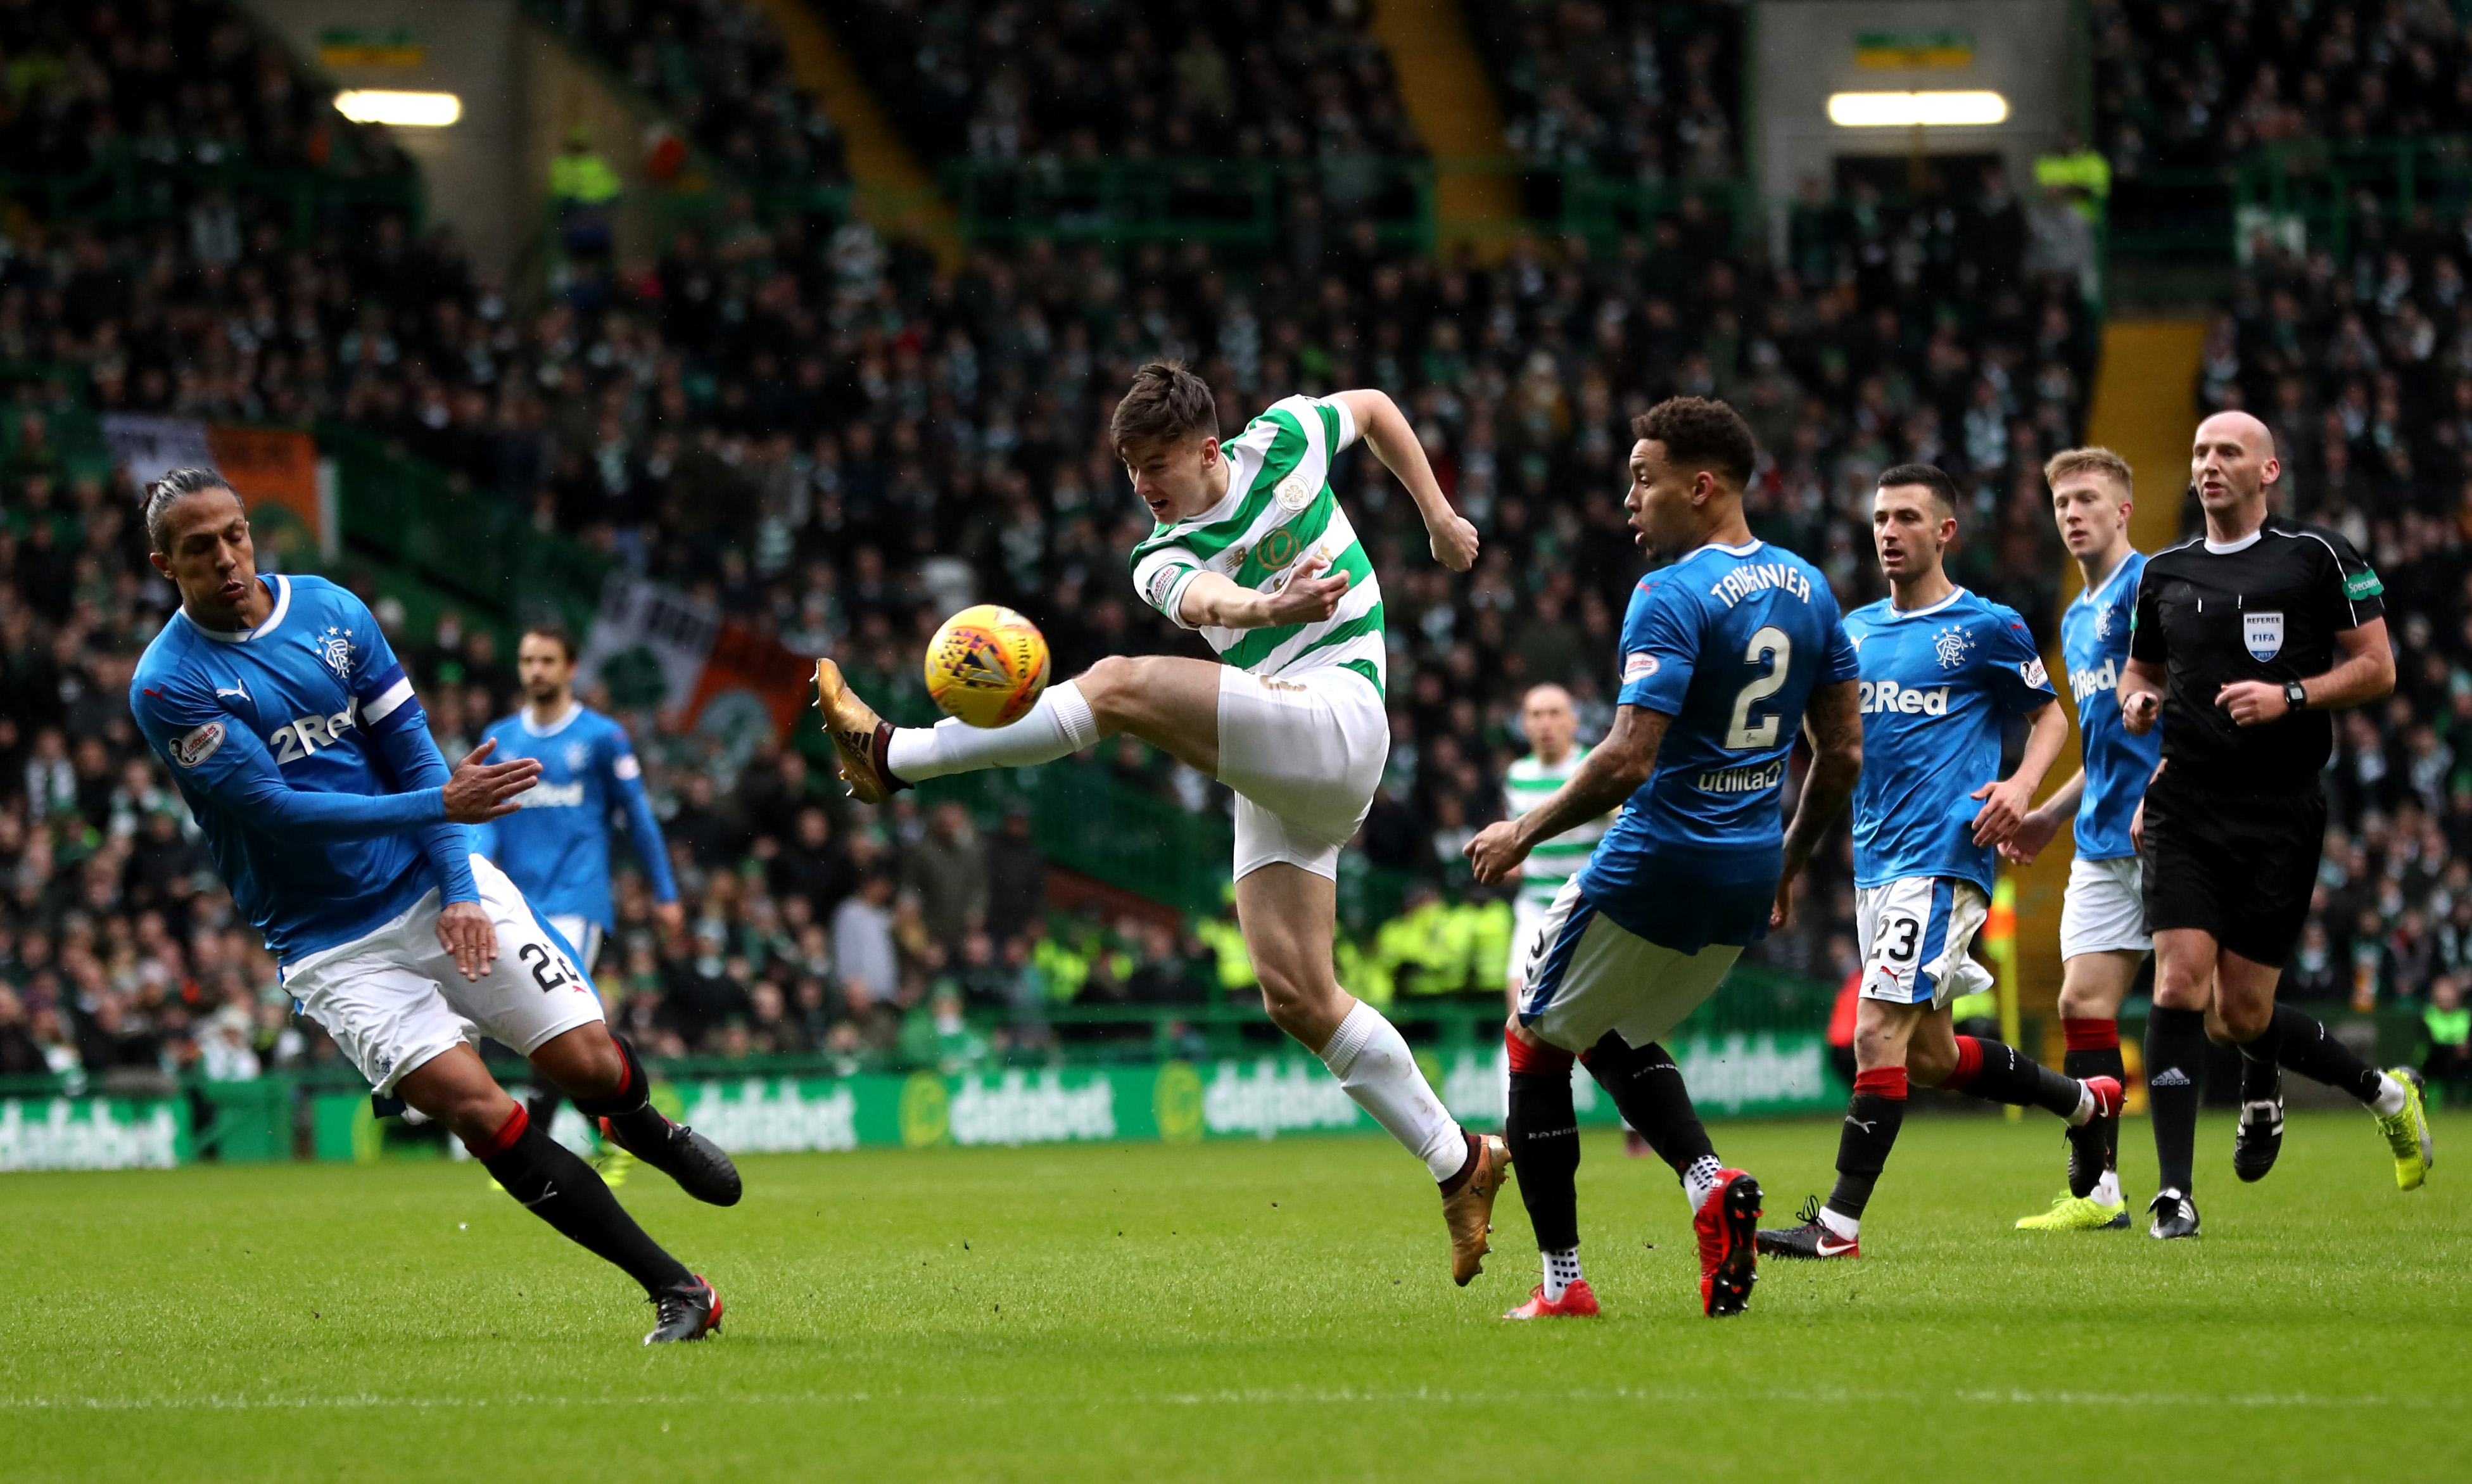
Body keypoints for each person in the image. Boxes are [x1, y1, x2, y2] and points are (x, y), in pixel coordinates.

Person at [813, 359, 1512, 1284]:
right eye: (1130, 468)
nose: (1143, 485)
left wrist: (1434, 513)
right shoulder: (1157, 555)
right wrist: (1267, 605)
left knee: (1115, 684)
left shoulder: (1287, 439)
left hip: (1339, 717)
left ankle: (894, 755)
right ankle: (1459, 1161)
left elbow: (1377, 408)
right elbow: (1206, 602)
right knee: (1296, 992)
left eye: (1157, 464)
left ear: (1209, 449)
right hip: (1278, 738)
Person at [128, 469, 734, 1343]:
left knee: (590, 1066)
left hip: (431, 882)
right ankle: (677, 1288)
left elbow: (416, 754)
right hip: (330, 941)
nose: (227, 557)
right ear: (163, 565)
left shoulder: (334, 611)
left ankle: (638, 1120)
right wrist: (440, 808)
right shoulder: (168, 683)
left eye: (235, 534)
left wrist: (456, 882)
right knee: (480, 1108)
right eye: (199, 547)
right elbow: (278, 813)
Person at [1465, 396, 1864, 1319]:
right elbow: (1839, 751)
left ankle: (1562, 1283)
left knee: (1532, 1035)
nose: (1628, 499)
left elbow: (1626, 756)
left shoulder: (1669, 594)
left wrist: (1520, 831)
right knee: (1610, 1029)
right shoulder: (1808, 586)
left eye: (1643, 479)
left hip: (1654, 857)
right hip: (1741, 872)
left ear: (1702, 485)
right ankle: (1704, 1182)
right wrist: (1788, 863)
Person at [1758, 464, 2123, 1261]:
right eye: (1881, 518)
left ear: (1945, 532)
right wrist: (1789, 859)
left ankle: (1838, 1228)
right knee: (1926, 1055)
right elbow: (1829, 750)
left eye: (1907, 518)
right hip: (1876, 865)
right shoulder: (1851, 631)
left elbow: (2051, 718)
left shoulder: (1986, 627)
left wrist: (2023, 786)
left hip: (1944, 857)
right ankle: (2086, 1103)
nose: (1889, 532)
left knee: (1875, 1033)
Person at [2117, 410, 2431, 1240]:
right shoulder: (2163, 571)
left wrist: (2289, 695)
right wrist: (2135, 699)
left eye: (2226, 452)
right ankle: (2173, 1193)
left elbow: (2376, 667)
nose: (2207, 464)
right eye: (2197, 452)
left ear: (2267, 472)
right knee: (2179, 981)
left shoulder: (2317, 555)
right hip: (2184, 802)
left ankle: (2383, 1094)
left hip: (2279, 810)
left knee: (2241, 1012)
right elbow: (2140, 669)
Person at [1998, 447, 2162, 1232]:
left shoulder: (2153, 589)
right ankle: (2101, 1192)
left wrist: (2165, 785)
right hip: (2101, 839)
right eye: (2062, 502)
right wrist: (2052, 813)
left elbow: (2189, 706)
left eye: (2088, 499)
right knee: (2079, 1001)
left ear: (2123, 509)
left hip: (2173, 831)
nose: (2072, 514)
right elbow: (2100, 749)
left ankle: (2379, 1090)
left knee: (2236, 1013)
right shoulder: (2073, 614)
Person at [472, 623, 684, 1179]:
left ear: (570, 668)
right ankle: (614, 1129)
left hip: (577, 899)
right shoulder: (500, 738)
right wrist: (471, 872)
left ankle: (538, 1143)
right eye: (526, 660)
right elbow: (486, 824)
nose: (534, 670)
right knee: (546, 1029)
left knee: (555, 1019)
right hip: (516, 902)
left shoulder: (601, 737)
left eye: (546, 660)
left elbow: (638, 817)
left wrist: (665, 891)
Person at [1499, 683, 1611, 1012]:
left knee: (1597, 1016)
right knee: (1520, 1007)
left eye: (1554, 713)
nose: (1545, 723)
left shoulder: (1594, 768)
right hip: (1536, 906)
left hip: (1590, 908)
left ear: (1573, 722)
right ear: (1524, 724)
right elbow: (1520, 839)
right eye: (1536, 715)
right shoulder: (1517, 775)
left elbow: (1622, 828)